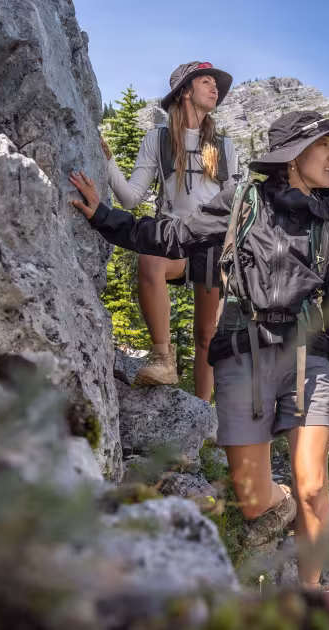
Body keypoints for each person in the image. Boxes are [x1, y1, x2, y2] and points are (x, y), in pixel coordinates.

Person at [71, 111, 329, 592]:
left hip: (306, 359)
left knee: (314, 484)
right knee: (253, 500)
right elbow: (174, 236)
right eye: (325, 146)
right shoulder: (243, 201)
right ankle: (279, 500)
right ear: (292, 155)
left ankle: (311, 594)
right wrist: (104, 217)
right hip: (242, 354)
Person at [102, 61, 239, 396]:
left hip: (213, 243)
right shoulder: (158, 139)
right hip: (173, 237)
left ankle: (202, 414)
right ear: (184, 93)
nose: (214, 88)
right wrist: (107, 163)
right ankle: (163, 360)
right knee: (150, 262)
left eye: (215, 84)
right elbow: (132, 198)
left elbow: (234, 204)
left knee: (207, 334)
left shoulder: (224, 146)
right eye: (205, 82)